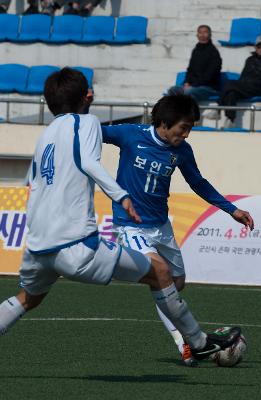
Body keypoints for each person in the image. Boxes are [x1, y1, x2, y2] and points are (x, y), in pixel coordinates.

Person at [0, 68, 241, 365]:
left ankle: (194, 341)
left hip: (39, 245)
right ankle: (197, 343)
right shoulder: (87, 122)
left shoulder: (45, 135)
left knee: (28, 298)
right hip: (77, 244)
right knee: (160, 272)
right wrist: (121, 195)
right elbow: (89, 161)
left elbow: (35, 182)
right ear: (87, 96)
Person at [101, 93, 254, 366]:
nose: (186, 134)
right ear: (164, 122)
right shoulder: (130, 135)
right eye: (183, 128)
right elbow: (93, 132)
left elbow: (199, 183)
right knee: (162, 278)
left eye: (190, 129)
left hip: (161, 225)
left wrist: (232, 210)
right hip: (130, 226)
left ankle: (181, 330)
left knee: (176, 284)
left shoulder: (181, 151)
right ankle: (184, 342)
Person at [207, 35, 261, 128]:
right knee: (231, 92)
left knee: (229, 83)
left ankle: (217, 108)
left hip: (259, 88)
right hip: (246, 87)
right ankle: (231, 121)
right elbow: (243, 75)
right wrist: (239, 85)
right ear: (256, 47)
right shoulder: (250, 60)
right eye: (259, 46)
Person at [167, 25, 222, 102]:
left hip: (209, 87)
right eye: (200, 32)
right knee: (172, 90)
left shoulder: (214, 53)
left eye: (205, 32)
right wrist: (186, 82)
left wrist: (193, 85)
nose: (202, 35)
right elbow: (190, 70)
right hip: (192, 86)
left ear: (210, 34)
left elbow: (209, 75)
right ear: (197, 35)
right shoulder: (195, 51)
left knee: (188, 92)